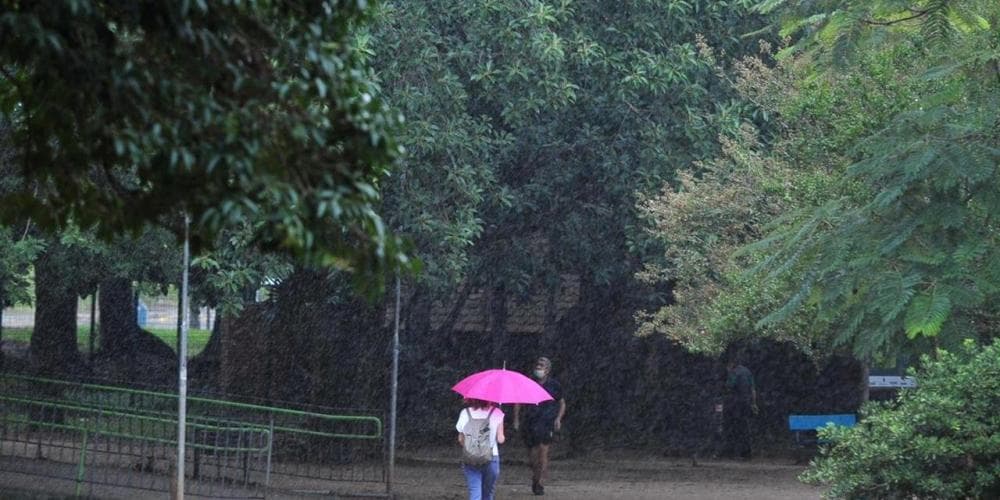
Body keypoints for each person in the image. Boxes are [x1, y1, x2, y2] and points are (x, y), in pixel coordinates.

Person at [513, 356, 566, 496]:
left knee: (543, 452)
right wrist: (516, 419)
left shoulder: (554, 385)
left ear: (548, 369)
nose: (539, 368)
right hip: (530, 422)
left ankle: (540, 481)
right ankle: (535, 475)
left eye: (542, 366)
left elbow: (562, 403)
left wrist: (558, 419)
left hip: (546, 422)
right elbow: (518, 401)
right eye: (537, 365)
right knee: (532, 456)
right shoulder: (529, 383)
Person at [456, 398, 506, 500]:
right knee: (487, 493)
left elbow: (461, 439)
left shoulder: (465, 413)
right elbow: (500, 439)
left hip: (470, 457)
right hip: (491, 457)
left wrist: (472, 447)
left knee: (475, 490)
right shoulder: (497, 413)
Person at [723, 358, 757, 460]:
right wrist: (754, 404)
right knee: (745, 427)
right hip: (746, 403)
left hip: (735, 404)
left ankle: (734, 452)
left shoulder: (734, 373)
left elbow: (729, 387)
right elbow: (753, 389)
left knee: (734, 427)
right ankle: (747, 452)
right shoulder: (747, 371)